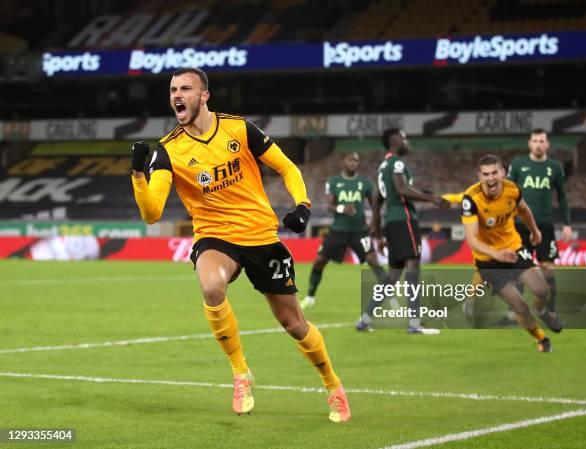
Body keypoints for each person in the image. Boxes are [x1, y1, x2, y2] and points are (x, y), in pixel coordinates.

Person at [129, 67, 350, 422]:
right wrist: (139, 176)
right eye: (172, 89)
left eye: (185, 88)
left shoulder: (239, 128)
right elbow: (152, 213)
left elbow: (288, 167)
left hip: (261, 235)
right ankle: (240, 373)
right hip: (215, 237)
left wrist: (303, 205)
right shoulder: (169, 150)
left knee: (293, 323)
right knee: (212, 287)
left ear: (204, 96)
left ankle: (333, 386)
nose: (177, 95)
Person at [461, 154, 563, 352]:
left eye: (494, 173)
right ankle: (541, 338)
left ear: (502, 172)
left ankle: (541, 310)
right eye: (485, 174)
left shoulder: (512, 189)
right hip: (488, 261)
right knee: (519, 307)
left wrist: (534, 231)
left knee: (542, 290)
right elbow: (472, 239)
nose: (490, 178)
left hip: (513, 248)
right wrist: (496, 254)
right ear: (479, 176)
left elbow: (524, 210)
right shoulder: (471, 199)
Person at [359, 128, 449, 334]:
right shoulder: (397, 163)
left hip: (392, 222)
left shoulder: (382, 168)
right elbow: (401, 189)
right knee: (413, 267)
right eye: (404, 138)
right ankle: (415, 323)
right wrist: (432, 198)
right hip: (405, 219)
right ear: (394, 142)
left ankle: (365, 318)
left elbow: (376, 204)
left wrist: (380, 235)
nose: (407, 142)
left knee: (393, 274)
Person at [300, 152, 386, 309]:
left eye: (356, 161)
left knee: (374, 262)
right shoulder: (334, 181)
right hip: (338, 230)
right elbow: (329, 205)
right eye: (351, 160)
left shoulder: (364, 182)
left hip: (360, 230)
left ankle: (390, 298)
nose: (353, 163)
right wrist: (342, 208)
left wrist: (374, 222)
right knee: (319, 262)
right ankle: (310, 297)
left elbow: (375, 205)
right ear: (344, 161)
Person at [508, 129, 572, 318]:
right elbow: (508, 193)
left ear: (547, 144)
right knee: (518, 267)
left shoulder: (555, 167)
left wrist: (567, 224)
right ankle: (514, 312)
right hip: (520, 224)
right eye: (535, 140)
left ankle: (550, 311)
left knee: (547, 268)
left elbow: (562, 197)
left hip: (545, 224)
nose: (538, 144)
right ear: (530, 143)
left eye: (541, 141)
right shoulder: (518, 164)